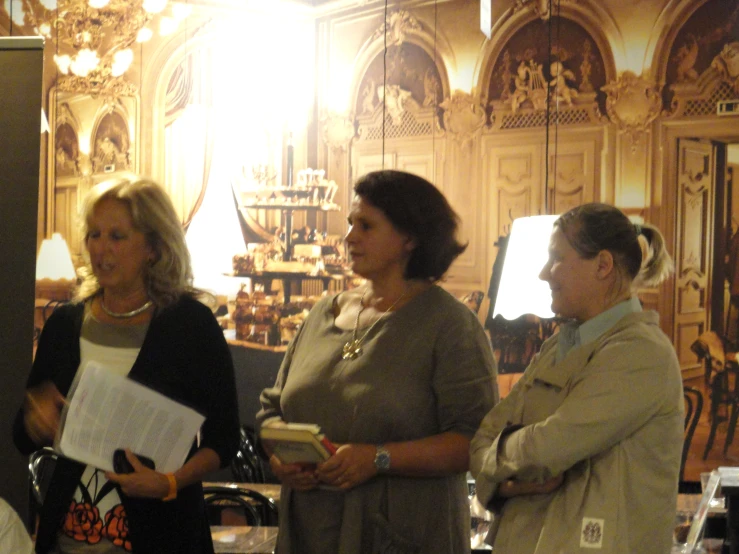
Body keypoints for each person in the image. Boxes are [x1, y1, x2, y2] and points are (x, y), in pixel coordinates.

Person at [258, 170, 498, 554]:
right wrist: (281, 457)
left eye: (366, 226)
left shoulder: (449, 325)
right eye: (351, 223)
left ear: (410, 239)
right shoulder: (323, 312)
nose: (350, 236)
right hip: (311, 528)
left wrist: (379, 458)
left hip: (401, 532)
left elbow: (475, 441)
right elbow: (272, 408)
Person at [13, 175, 240, 553]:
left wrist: (170, 482)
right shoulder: (64, 324)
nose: (101, 249)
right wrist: (35, 419)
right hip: (67, 539)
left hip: (163, 535)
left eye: (117, 237)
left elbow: (224, 439)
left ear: (153, 246)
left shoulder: (191, 325)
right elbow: (21, 438)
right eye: (94, 235)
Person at [470, 203, 682, 554]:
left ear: (602, 265)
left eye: (555, 258)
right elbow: (482, 439)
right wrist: (505, 482)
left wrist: (496, 461)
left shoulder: (640, 352)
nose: (543, 274)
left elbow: (549, 448)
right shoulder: (558, 344)